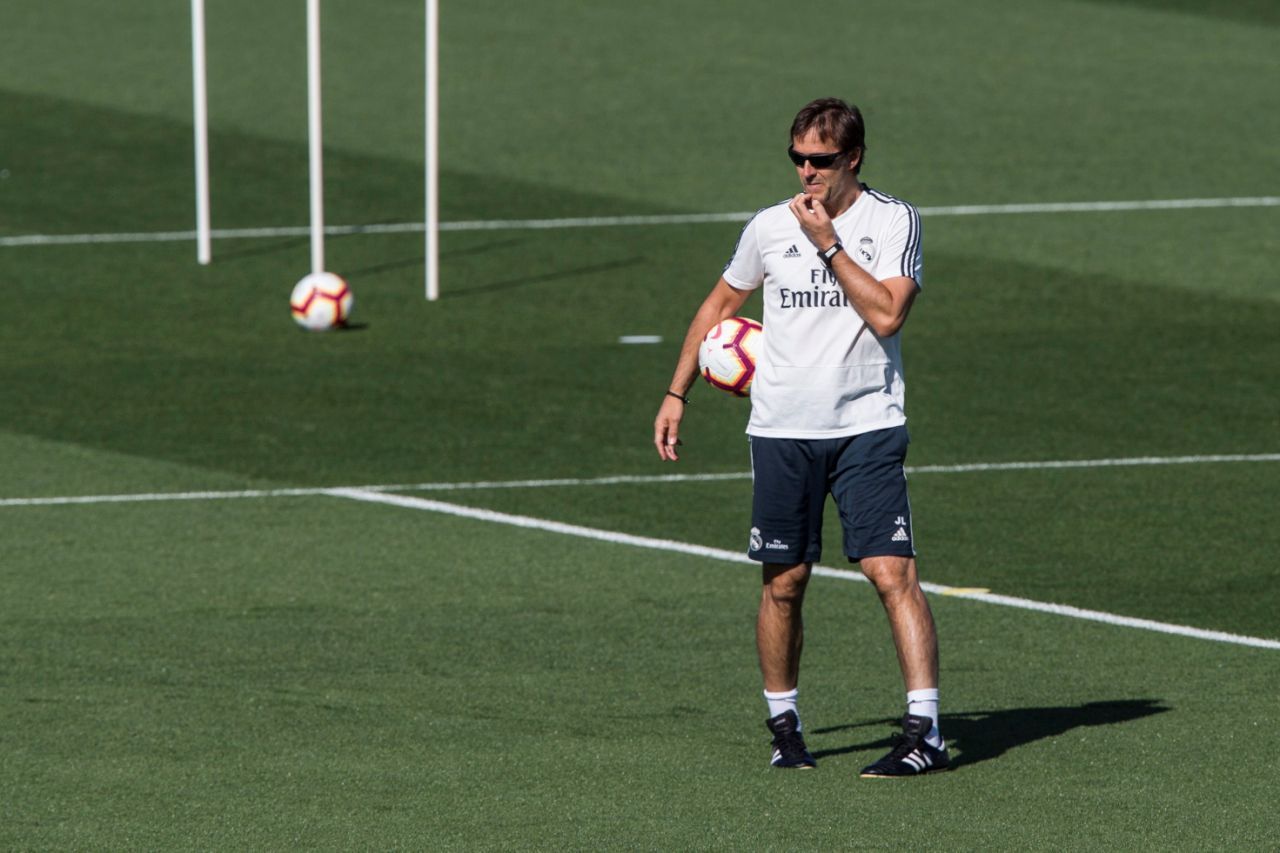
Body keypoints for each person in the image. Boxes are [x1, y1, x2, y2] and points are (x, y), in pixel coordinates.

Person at [652, 98, 947, 777]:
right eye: (798, 159)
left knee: (892, 572)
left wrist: (828, 245)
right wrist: (676, 391)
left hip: (867, 425)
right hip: (782, 428)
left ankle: (926, 731)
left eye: (821, 160)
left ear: (854, 158)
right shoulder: (768, 226)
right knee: (784, 583)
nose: (807, 171)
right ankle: (784, 727)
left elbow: (888, 314)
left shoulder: (893, 220)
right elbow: (719, 304)